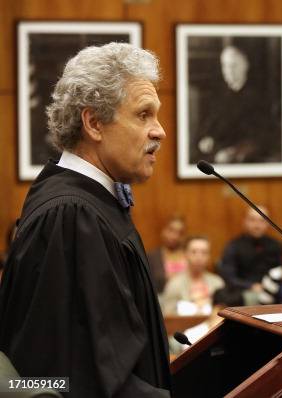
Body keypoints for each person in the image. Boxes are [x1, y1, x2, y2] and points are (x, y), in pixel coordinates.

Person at [0, 43, 171, 397]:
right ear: (94, 123)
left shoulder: (87, 203)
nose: (160, 131)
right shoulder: (73, 216)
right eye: (143, 115)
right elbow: (83, 378)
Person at [192, 44, 280, 164]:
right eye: (225, 66)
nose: (229, 71)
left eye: (234, 65)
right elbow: (207, 125)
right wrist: (206, 138)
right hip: (216, 152)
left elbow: (263, 137)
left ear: (245, 66)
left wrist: (235, 152)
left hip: (241, 157)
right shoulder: (217, 95)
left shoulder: (258, 98)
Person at [218, 206, 282, 295]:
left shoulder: (275, 246)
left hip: (272, 291)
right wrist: (250, 286)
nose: (257, 225)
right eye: (252, 220)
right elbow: (228, 277)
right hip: (242, 292)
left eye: (262, 220)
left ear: (268, 223)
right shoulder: (234, 246)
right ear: (245, 222)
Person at [161, 236, 224, 316]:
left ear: (209, 256)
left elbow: (223, 312)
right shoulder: (174, 283)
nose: (199, 257)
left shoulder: (217, 282)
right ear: (185, 254)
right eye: (194, 252)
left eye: (204, 252)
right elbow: (168, 315)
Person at [148, 215, 188, 294]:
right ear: (163, 231)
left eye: (180, 233)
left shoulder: (189, 255)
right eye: (171, 230)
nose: (174, 236)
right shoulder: (152, 257)